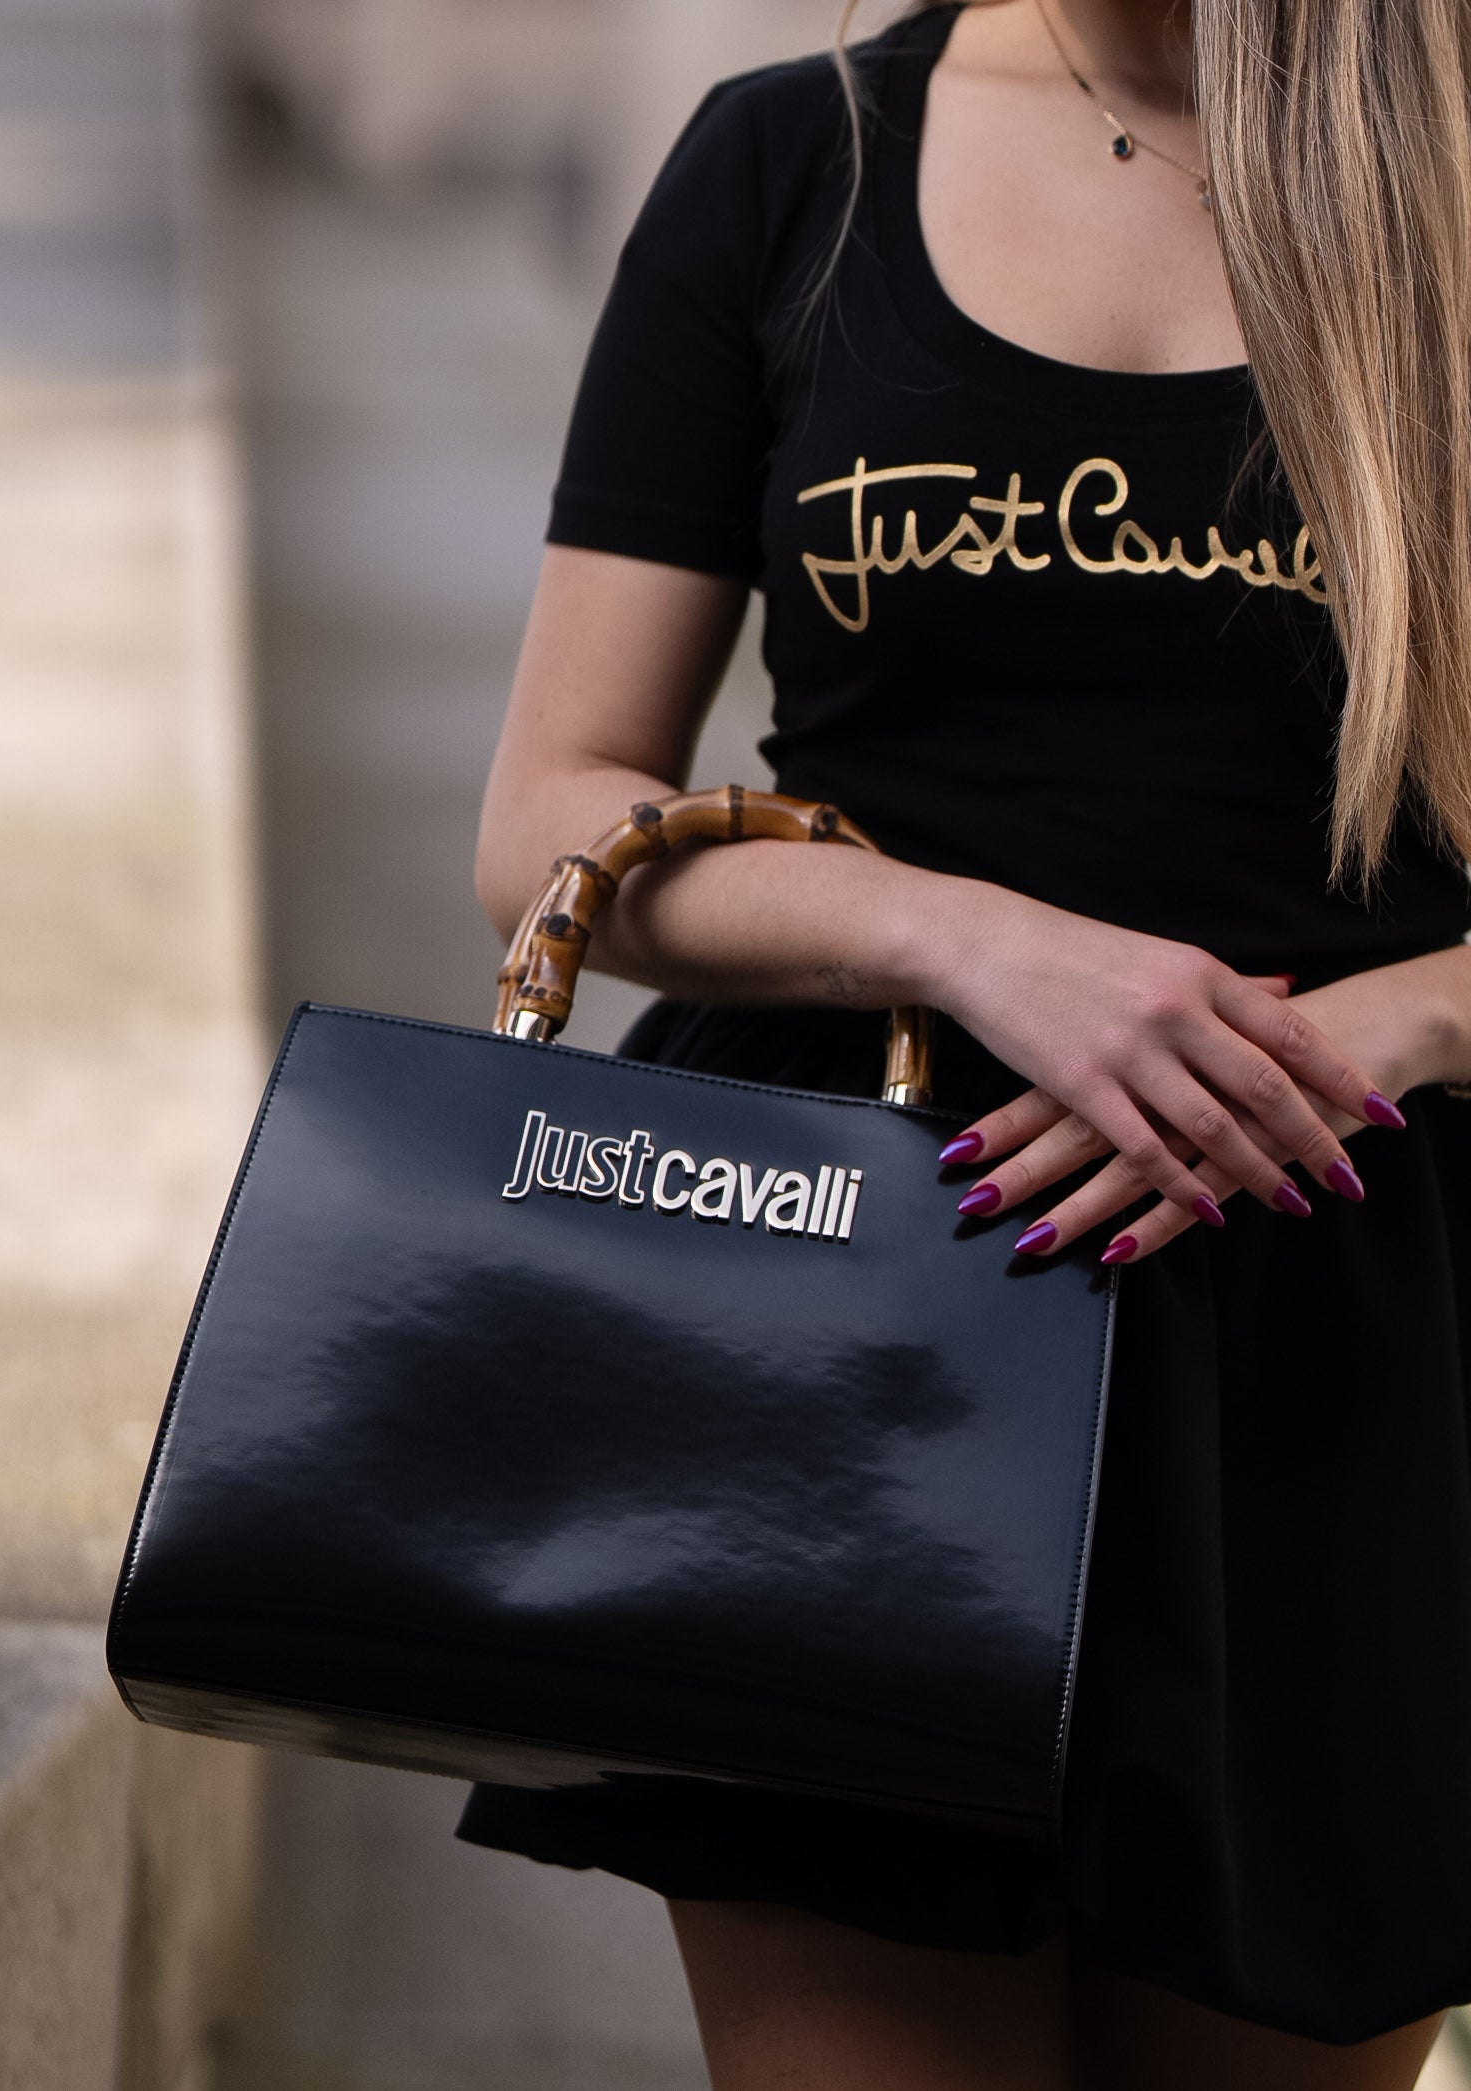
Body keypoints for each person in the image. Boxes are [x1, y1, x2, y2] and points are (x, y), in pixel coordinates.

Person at [461, 2, 1471, 2084]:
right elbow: (551, 819)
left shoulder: (1451, 175)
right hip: (839, 1315)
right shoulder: (792, 165)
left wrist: (1410, 1013)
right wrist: (967, 938)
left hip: (1343, 1334)